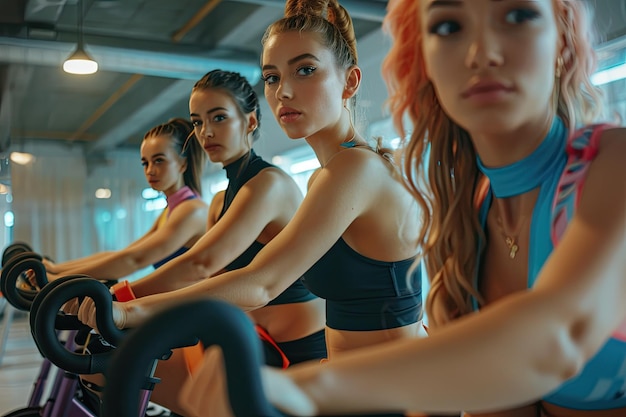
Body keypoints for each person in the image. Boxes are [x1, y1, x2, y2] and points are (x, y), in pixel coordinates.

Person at [191, 0, 623, 416]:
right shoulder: (467, 206)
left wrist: (309, 387)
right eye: (449, 26)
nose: (481, 52)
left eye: (518, 14)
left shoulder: (613, 164)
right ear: (422, 61)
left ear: (563, 40)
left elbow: (557, 342)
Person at [78, 1, 423, 416]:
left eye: (305, 69)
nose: (284, 91)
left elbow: (262, 282)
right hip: (346, 382)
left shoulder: (353, 169)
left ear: (349, 82)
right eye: (272, 77)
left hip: (387, 395)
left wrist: (127, 308)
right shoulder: (329, 174)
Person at [41, 117, 208, 282]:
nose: (150, 170)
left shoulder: (192, 210)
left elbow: (135, 260)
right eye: (145, 163)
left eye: (159, 161)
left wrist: (56, 279)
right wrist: (56, 270)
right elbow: (125, 254)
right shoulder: (170, 212)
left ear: (182, 164)